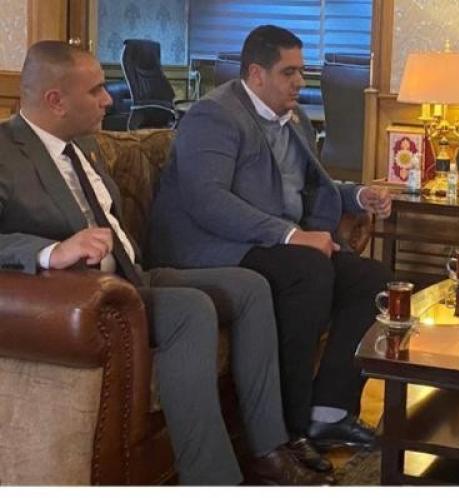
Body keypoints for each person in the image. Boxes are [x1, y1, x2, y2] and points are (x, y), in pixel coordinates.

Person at [0, 41, 329, 485]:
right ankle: (213, 481)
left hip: (135, 274)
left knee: (251, 287)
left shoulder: (83, 146)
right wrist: (49, 251)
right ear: (55, 101)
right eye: (95, 90)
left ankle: (268, 449)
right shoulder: (6, 152)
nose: (109, 99)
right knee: (191, 309)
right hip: (91, 297)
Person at [148, 25, 393, 471]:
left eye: (302, 71)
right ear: (256, 74)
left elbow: (308, 186)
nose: (300, 82)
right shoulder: (213, 117)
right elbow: (208, 201)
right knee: (308, 271)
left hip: (273, 244)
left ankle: (329, 412)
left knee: (370, 278)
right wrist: (291, 236)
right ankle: (290, 430)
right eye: (289, 72)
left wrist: (358, 196)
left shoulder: (293, 119)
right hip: (214, 246)